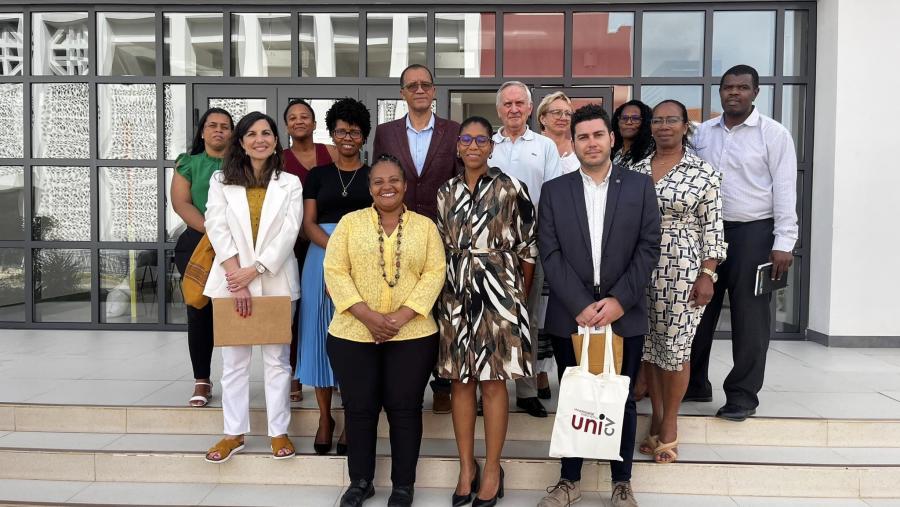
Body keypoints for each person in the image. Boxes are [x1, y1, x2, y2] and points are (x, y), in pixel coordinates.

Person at [537, 104, 660, 507]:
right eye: (583, 136)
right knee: (573, 394)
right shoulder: (555, 191)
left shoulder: (640, 186)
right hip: (570, 316)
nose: (591, 142)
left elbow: (648, 247)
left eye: (597, 135)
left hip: (623, 314)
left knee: (620, 396)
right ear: (572, 143)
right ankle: (569, 480)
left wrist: (618, 300)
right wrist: (579, 304)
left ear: (611, 138)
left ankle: (620, 481)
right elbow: (549, 252)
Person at [323, 155, 446, 507]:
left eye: (394, 180)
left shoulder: (424, 227)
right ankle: (360, 481)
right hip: (352, 332)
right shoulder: (349, 223)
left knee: (404, 409)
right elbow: (335, 271)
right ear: (369, 186)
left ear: (405, 186)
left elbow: (434, 273)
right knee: (359, 409)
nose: (386, 186)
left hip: (412, 334)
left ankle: (403, 485)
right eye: (378, 181)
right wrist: (367, 316)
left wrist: (400, 317)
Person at [688, 64, 799, 422]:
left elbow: (784, 188)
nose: (734, 92)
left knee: (751, 318)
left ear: (756, 93)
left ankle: (741, 395)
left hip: (753, 233)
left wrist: (784, 241)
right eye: (728, 87)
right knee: (697, 312)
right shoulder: (703, 133)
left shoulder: (774, 134)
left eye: (742, 87)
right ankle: (694, 383)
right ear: (720, 92)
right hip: (706, 232)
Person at [437, 116, 537, 507]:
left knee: (494, 383)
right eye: (467, 139)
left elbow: (529, 247)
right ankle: (467, 467)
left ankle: (493, 468)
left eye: (481, 139)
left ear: (492, 146)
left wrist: (518, 298)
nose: (474, 145)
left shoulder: (512, 187)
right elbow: (443, 245)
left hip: (500, 294)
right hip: (456, 293)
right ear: (458, 146)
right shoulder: (446, 191)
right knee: (461, 383)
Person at [202, 111, 302, 463]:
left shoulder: (290, 183)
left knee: (277, 361)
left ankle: (278, 432)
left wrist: (254, 271)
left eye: (267, 133)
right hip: (231, 281)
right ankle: (233, 433)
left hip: (275, 279)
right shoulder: (220, 180)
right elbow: (216, 225)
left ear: (276, 140)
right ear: (241, 142)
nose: (260, 139)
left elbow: (289, 232)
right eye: (252, 134)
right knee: (234, 362)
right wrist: (237, 277)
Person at [630, 99, 726, 465]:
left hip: (684, 267)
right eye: (658, 120)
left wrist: (708, 273)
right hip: (641, 267)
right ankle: (655, 416)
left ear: (686, 126)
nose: (664, 126)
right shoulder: (636, 170)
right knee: (650, 350)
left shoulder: (704, 173)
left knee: (677, 349)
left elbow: (714, 228)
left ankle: (669, 424)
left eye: (672, 120)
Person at [372, 63, 461, 414]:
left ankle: (440, 384)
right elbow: (382, 179)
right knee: (398, 299)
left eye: (426, 84)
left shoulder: (453, 130)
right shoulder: (386, 132)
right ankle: (396, 379)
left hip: (443, 234)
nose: (420, 89)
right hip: (399, 231)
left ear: (434, 91)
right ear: (403, 93)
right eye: (412, 85)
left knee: (440, 307)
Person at [297, 97, 373, 454]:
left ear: (364, 137)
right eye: (341, 131)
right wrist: (335, 252)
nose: (347, 137)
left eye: (354, 132)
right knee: (319, 337)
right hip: (320, 259)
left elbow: (379, 222)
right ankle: (325, 417)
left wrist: (349, 256)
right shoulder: (318, 176)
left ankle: (350, 416)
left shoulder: (374, 175)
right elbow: (307, 224)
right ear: (332, 133)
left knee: (353, 339)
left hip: (362, 261)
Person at [487, 81, 562, 418]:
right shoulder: (488, 145)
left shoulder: (544, 146)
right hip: (488, 244)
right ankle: (488, 386)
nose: (514, 109)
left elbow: (555, 196)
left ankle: (527, 389)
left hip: (531, 242)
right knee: (491, 317)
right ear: (499, 109)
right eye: (507, 104)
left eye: (520, 103)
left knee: (527, 317)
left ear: (530, 109)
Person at [171, 107, 234, 408]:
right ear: (202, 131)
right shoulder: (188, 163)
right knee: (199, 310)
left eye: (225, 126)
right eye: (213, 125)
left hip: (237, 244)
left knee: (236, 309)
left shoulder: (242, 163)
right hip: (198, 242)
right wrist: (213, 231)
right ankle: (202, 379)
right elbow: (181, 203)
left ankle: (236, 378)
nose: (218, 130)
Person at [282, 98, 336, 403]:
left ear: (315, 124)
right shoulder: (279, 158)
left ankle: (331, 370)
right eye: (293, 117)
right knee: (296, 310)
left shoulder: (329, 153)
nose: (299, 121)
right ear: (287, 125)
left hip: (326, 242)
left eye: (305, 116)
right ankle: (295, 373)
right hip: (292, 244)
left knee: (329, 308)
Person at [536, 91, 579, 174]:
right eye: (557, 112)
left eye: (568, 113)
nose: (563, 117)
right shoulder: (532, 147)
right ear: (543, 119)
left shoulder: (578, 147)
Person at [611, 100, 654, 169]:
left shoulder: (653, 149)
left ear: (645, 122)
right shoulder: (614, 151)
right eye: (624, 118)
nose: (628, 122)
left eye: (635, 118)